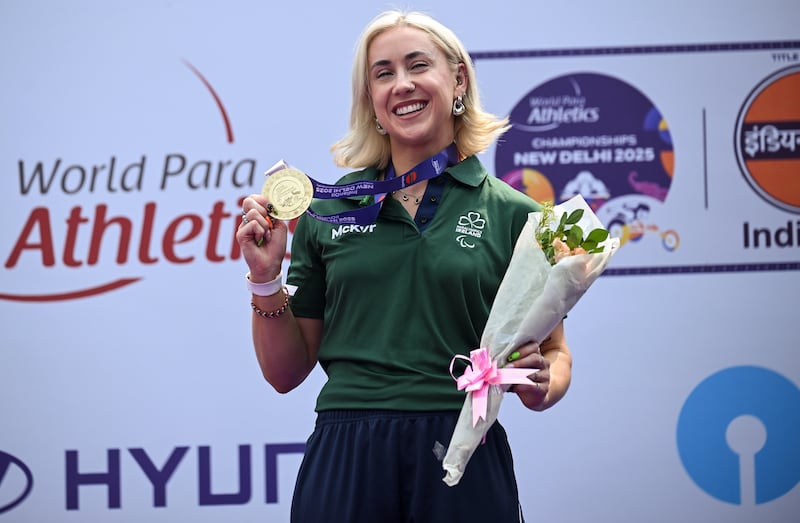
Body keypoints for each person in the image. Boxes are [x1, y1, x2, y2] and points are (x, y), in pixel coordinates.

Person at [237, 10, 573, 523]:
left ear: (458, 78)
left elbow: (555, 357)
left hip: (462, 449)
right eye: (383, 73)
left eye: (418, 65)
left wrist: (541, 380)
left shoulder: (519, 215)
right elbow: (285, 374)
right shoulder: (327, 211)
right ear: (370, 98)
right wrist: (265, 280)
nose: (402, 84)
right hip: (346, 453)